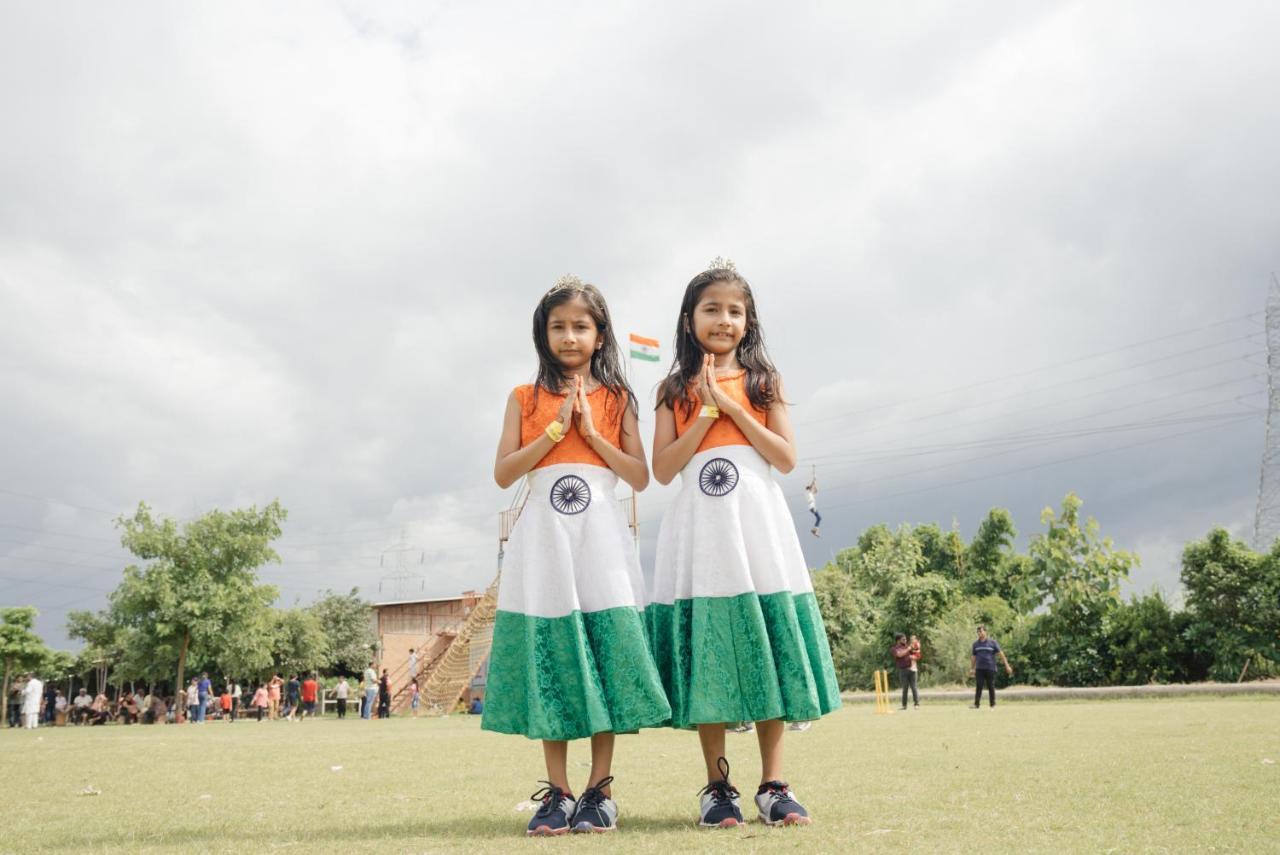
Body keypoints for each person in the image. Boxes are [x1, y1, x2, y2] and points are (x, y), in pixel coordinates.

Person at [649, 259, 842, 829]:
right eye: (712, 309)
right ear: (689, 320)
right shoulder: (672, 389)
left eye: (736, 311)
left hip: (756, 524)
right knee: (709, 645)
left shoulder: (763, 382)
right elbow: (663, 468)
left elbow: (783, 458)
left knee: (767, 639)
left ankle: (774, 783)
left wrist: (733, 407)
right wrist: (705, 414)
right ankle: (718, 787)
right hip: (701, 531)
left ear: (748, 321)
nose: (724, 320)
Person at [483, 275, 671, 837]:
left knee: (604, 651)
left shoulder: (617, 400)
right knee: (556, 655)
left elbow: (639, 476)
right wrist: (552, 432)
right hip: (543, 542)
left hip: (601, 539)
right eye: (558, 326)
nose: (569, 336)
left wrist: (591, 433)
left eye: (580, 326)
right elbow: (503, 474)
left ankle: (600, 789)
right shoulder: (524, 398)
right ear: (543, 334)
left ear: (600, 333)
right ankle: (558, 791)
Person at [970, 625, 1014, 708]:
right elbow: (973, 657)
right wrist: (972, 668)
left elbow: (1001, 655)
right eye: (978, 632)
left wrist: (1007, 665)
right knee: (979, 686)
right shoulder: (975, 644)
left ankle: (992, 704)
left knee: (991, 686)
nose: (979, 633)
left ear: (985, 632)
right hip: (979, 668)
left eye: (981, 631)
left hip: (990, 668)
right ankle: (976, 704)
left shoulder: (993, 643)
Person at [891, 634, 919, 710]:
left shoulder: (908, 646)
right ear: (898, 640)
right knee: (905, 688)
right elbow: (899, 655)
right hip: (903, 670)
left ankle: (916, 704)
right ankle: (904, 705)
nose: (905, 641)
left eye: (906, 639)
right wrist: (908, 649)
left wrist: (915, 654)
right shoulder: (894, 648)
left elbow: (917, 655)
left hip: (912, 668)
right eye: (903, 639)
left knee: (914, 687)